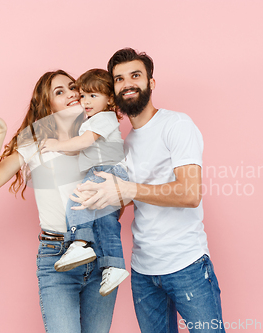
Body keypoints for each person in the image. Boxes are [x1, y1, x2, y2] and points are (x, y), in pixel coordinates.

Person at [70, 49, 226, 333]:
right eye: (119, 79)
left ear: (151, 83)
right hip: (143, 271)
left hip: (186, 264)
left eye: (136, 75)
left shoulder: (176, 125)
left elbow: (190, 194)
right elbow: (124, 199)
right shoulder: (123, 143)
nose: (127, 83)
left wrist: (127, 188)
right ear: (113, 91)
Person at [0, 70, 117, 333]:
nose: (72, 94)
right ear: (47, 105)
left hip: (100, 254)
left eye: (73, 87)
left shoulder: (95, 133)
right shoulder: (35, 141)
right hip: (57, 254)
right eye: (59, 92)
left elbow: (117, 196)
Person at [41, 68, 130, 296]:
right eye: (83, 95)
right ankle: (115, 265)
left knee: (77, 201)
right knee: (105, 223)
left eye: (93, 96)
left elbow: (84, 142)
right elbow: (82, 149)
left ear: (110, 99)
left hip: (105, 171)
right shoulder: (96, 120)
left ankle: (79, 243)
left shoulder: (102, 118)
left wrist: (56, 145)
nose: (86, 101)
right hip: (111, 171)